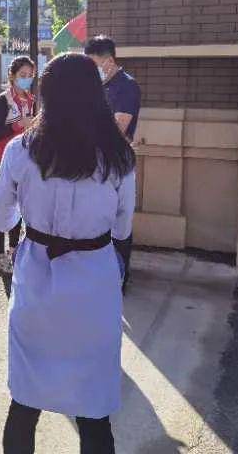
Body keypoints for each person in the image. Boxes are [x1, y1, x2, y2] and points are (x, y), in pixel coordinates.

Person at [0, 54, 136, 454]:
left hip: (37, 282)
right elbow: (123, 227)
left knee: (24, 402)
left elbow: (2, 218)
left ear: (46, 93)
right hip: (95, 286)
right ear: (96, 93)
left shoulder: (21, 150)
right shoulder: (120, 156)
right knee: (93, 412)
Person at [85, 35, 141, 290]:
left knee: (121, 223)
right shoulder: (96, 87)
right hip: (95, 164)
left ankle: (120, 278)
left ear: (108, 60)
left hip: (118, 164)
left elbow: (119, 128)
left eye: (94, 63)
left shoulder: (126, 86)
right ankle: (102, 275)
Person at [0, 56, 36, 275]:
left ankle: (13, 250)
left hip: (26, 159)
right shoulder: (3, 100)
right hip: (5, 160)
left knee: (18, 206)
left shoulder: (31, 99)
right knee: (3, 204)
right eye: (22, 76)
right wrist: (18, 125)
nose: (26, 80)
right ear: (12, 76)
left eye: (30, 76)